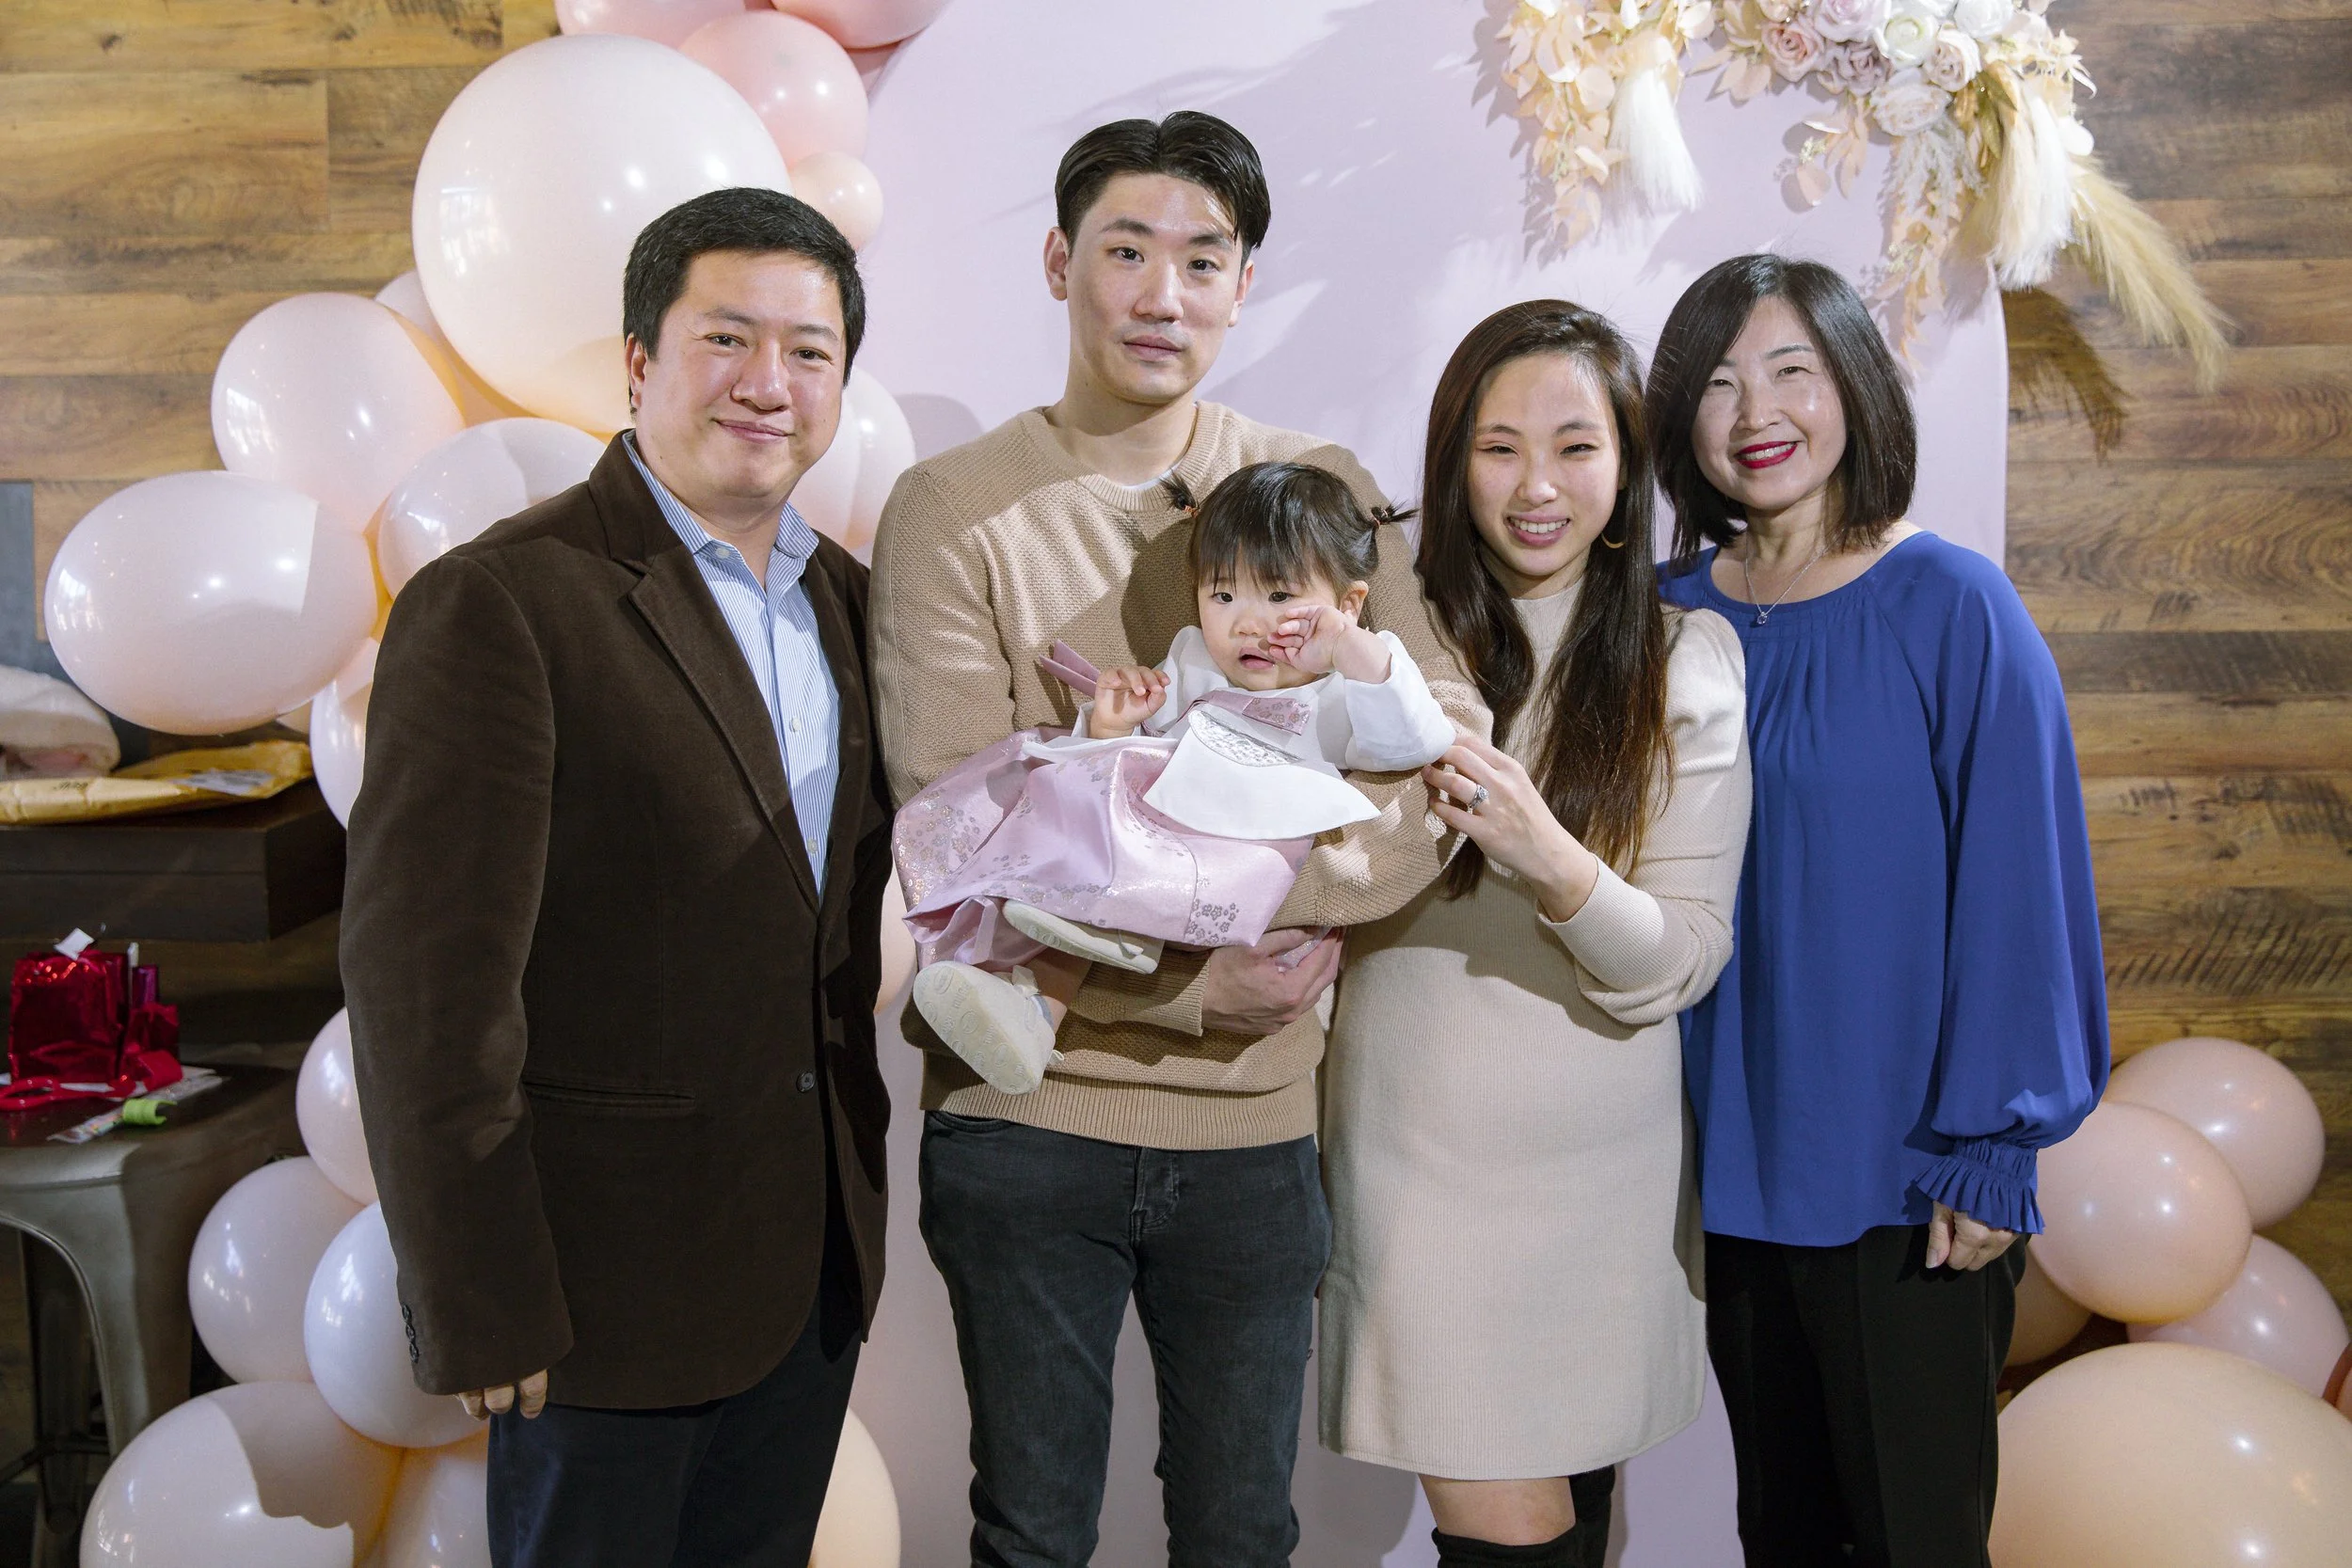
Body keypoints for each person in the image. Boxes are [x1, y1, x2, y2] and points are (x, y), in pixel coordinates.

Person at [869, 112, 1485, 1566]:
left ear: (1243, 284)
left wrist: (1259, 886)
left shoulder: (1312, 484)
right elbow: (963, 833)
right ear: (1059, 262)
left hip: (1253, 1132)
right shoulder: (954, 509)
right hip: (1026, 1122)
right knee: (1033, 1533)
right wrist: (1206, 983)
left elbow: (1441, 748)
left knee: (1241, 1532)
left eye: (1202, 260)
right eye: (1127, 251)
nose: (1163, 294)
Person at [342, 188, 895, 1568]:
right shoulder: (504, 601)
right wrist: (480, 1295)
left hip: (809, 1266)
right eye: (727, 338)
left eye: (810, 351)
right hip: (597, 1297)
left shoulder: (852, 603)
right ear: (640, 362)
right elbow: (426, 989)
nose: (768, 382)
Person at [1649, 254, 2107, 1568]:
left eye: (1791, 370)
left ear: (1854, 384)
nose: (1757, 412)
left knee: (1915, 1539)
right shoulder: (1662, 613)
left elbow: (2023, 881)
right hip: (1720, 1165)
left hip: (1909, 1178)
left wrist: (1993, 1143)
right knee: (1781, 1532)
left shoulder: (1949, 603)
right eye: (1719, 383)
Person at [1318, 301, 1752, 1568]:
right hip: (1414, 1163)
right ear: (1453, 462)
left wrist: (1541, 847)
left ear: (1626, 469)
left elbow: (1677, 960)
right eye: (1498, 447)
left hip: (1603, 1184)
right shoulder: (1383, 642)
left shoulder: (1684, 658)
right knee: (1514, 1535)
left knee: (1575, 1520)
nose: (1536, 485)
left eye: (1575, 446)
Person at [899, 461, 1457, 1094]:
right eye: (1223, 595)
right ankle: (1031, 1013)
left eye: (1279, 597)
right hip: (1161, 837)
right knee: (1069, 818)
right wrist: (1114, 723)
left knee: (1094, 882)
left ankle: (1096, 937)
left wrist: (1353, 648)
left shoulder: (1345, 690)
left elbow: (1417, 741)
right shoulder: (1194, 658)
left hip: (1245, 855)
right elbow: (1145, 751)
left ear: (1347, 604)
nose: (1246, 623)